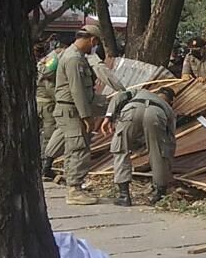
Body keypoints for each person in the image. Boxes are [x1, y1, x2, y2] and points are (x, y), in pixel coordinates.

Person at [54, 25, 110, 205]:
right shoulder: (74, 59)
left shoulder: (74, 56)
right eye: (95, 44)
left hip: (72, 109)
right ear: (93, 40)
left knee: (74, 148)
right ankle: (74, 190)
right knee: (78, 148)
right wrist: (87, 117)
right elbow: (77, 90)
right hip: (72, 110)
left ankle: (74, 185)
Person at [110, 87, 177, 206]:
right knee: (158, 152)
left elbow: (119, 96)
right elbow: (170, 143)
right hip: (156, 113)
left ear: (157, 92)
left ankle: (124, 196)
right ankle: (159, 195)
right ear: (171, 101)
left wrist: (108, 116)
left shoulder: (140, 91)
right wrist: (168, 166)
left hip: (133, 108)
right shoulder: (168, 109)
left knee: (121, 148)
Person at [36, 41, 63, 180]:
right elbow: (50, 87)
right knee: (49, 135)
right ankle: (44, 167)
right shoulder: (54, 60)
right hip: (47, 105)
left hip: (40, 103)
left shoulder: (44, 62)